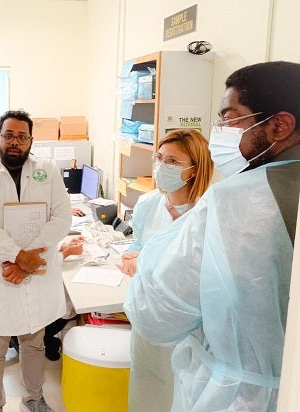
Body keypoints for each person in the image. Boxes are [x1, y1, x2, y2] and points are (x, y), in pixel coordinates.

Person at [124, 61, 300, 411]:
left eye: (229, 117)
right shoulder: (154, 204)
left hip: (236, 395)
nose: (219, 130)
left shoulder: (234, 202)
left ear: (279, 125)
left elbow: (156, 317)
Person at [0, 109, 71, 412]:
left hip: (34, 268)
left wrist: (26, 259)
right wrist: (16, 256)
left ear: (31, 141)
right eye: (8, 135)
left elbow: (62, 216)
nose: (15, 142)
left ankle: (33, 398)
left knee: (34, 342)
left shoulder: (46, 170)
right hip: (0, 273)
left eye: (22, 137)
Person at [116, 129, 213, 412]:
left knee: (180, 389)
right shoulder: (148, 203)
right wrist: (131, 260)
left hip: (187, 324)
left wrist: (143, 264)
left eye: (172, 161)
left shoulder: (205, 213)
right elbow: (136, 247)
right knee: (147, 382)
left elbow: (203, 274)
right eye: (159, 158)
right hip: (148, 316)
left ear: (194, 169)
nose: (160, 166)